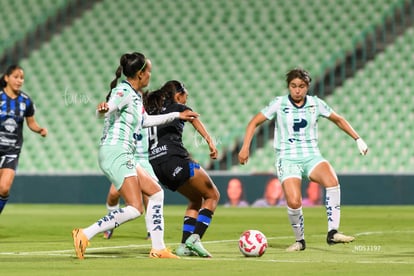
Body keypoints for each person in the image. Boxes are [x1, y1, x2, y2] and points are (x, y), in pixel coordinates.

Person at [72, 52, 197, 259]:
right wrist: (103, 109)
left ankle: (158, 248)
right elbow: (107, 108)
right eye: (148, 71)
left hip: (124, 153)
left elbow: (146, 121)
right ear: (140, 74)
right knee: (134, 208)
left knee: (156, 193)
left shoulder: (136, 96)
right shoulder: (123, 91)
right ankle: (84, 234)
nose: (150, 75)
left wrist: (178, 115)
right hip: (116, 152)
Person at [238, 68, 368, 252]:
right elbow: (254, 122)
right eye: (293, 86)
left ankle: (333, 233)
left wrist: (358, 139)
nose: (297, 90)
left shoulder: (316, 104)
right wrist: (245, 147)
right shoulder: (279, 103)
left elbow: (338, 119)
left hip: (311, 156)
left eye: (301, 86)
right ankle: (300, 241)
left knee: (332, 181)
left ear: (307, 87)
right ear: (288, 87)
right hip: (287, 157)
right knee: (293, 201)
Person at [146, 80, 220, 258]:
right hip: (175, 160)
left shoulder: (152, 112)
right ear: (178, 95)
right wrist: (210, 141)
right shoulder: (177, 107)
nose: (186, 100)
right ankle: (195, 239)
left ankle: (184, 246)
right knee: (212, 195)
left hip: (157, 166)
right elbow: (193, 117)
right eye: (185, 95)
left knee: (195, 199)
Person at [0, 65, 48, 214]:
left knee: (4, 188)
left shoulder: (26, 101)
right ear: (7, 78)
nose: (19, 80)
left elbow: (31, 123)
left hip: (11, 150)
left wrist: (39, 129)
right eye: (16, 76)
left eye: (21, 77)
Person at [102, 127, 152, 240]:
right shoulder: (129, 119)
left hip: (146, 159)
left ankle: (151, 230)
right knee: (113, 194)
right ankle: (110, 224)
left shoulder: (150, 117)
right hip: (128, 158)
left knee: (148, 195)